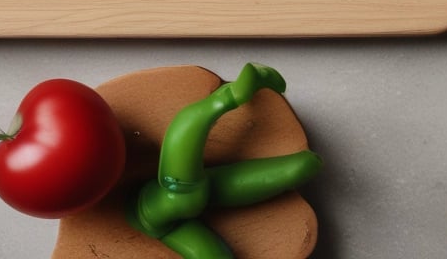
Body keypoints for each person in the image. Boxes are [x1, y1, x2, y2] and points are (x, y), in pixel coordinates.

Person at [126, 62, 323, 259]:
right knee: (186, 141)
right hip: (177, 206)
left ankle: (229, 97)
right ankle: (228, 97)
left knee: (187, 150)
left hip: (172, 206)